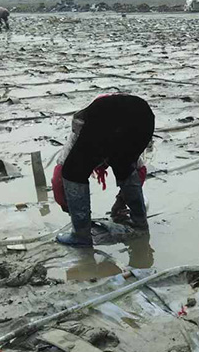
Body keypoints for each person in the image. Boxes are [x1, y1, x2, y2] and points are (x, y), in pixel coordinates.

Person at [52, 94, 155, 247]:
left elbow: (60, 176)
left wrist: (70, 207)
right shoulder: (107, 137)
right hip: (144, 117)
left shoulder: (81, 136)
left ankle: (81, 236)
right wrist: (122, 202)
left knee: (73, 172)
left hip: (109, 118)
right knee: (124, 165)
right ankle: (140, 225)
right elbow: (138, 171)